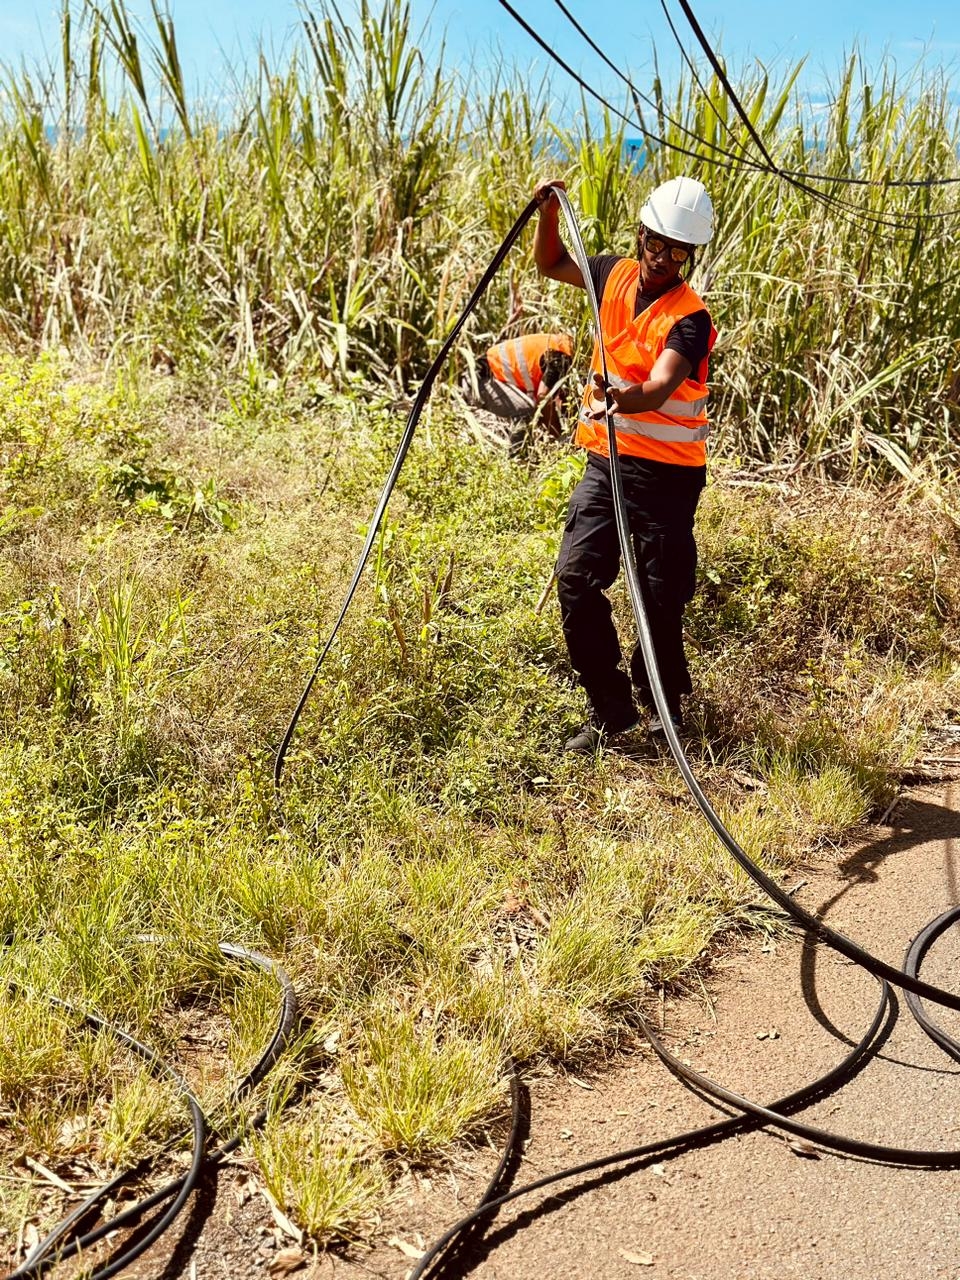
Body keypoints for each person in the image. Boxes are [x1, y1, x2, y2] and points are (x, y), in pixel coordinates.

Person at [532, 175, 716, 753]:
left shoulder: (691, 318)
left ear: (691, 255)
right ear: (641, 234)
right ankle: (611, 709)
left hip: (667, 474)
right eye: (654, 243)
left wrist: (624, 397)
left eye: (676, 251)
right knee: (576, 579)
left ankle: (665, 704)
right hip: (606, 465)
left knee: (660, 593)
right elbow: (552, 261)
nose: (661, 259)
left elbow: (661, 385)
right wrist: (547, 212)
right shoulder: (612, 274)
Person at [461, 332, 574, 450]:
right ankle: (516, 458)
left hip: (481, 377)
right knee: (525, 410)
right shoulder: (560, 357)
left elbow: (554, 398)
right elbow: (543, 398)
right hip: (478, 381)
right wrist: (559, 438)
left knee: (530, 409)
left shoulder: (558, 343)